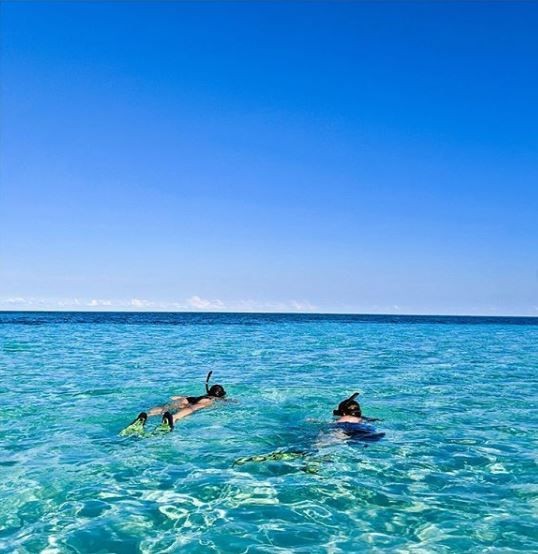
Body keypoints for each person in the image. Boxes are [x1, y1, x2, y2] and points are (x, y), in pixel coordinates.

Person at [121, 371, 226, 434]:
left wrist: (178, 399)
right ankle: (174, 418)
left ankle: (146, 415)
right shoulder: (212, 399)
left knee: (164, 408)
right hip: (201, 402)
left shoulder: (201, 395)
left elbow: (175, 397)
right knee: (192, 408)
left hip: (189, 399)